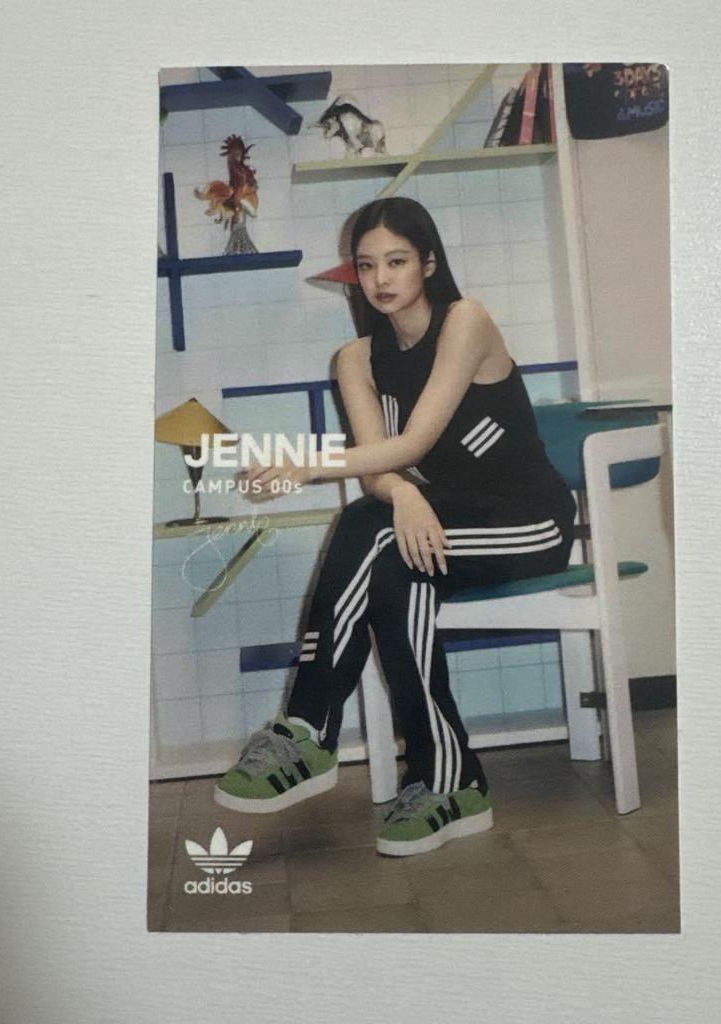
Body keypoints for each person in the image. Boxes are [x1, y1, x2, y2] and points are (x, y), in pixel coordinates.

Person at [213, 196, 577, 857]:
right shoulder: (356, 359)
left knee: (370, 528)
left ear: (428, 263)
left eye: (397, 262)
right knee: (390, 566)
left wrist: (309, 465)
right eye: (366, 265)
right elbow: (382, 467)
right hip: (440, 522)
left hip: (528, 522)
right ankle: (449, 781)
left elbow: (411, 444)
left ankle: (309, 726)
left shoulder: (466, 321)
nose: (380, 278)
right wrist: (405, 495)